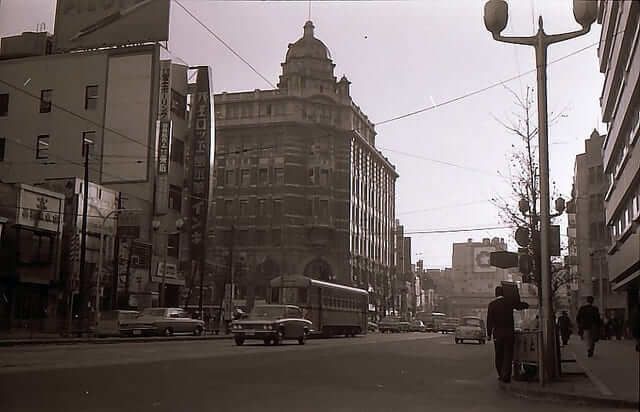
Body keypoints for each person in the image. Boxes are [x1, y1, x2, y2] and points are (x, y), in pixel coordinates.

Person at [487, 285, 529, 383]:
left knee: (499, 355)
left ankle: (501, 374)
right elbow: (519, 306)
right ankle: (507, 376)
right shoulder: (508, 302)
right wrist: (527, 304)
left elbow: (489, 321)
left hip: (498, 334)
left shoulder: (492, 305)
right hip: (509, 333)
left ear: (495, 294)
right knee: (508, 355)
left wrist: (489, 334)